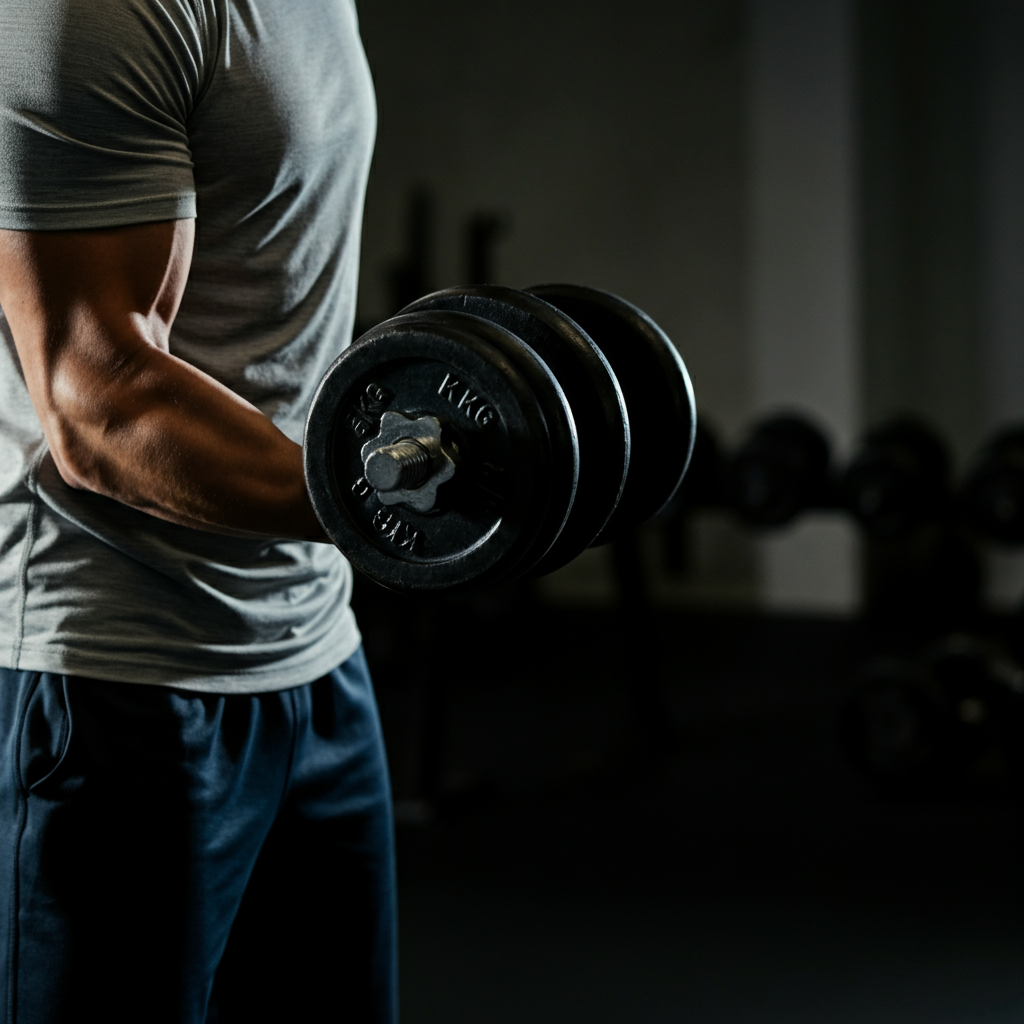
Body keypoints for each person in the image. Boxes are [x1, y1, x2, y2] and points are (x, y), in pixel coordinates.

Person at [0, 1, 396, 1021]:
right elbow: (103, 401)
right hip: (114, 675)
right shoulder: (89, 13)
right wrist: (399, 507)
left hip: (314, 645)